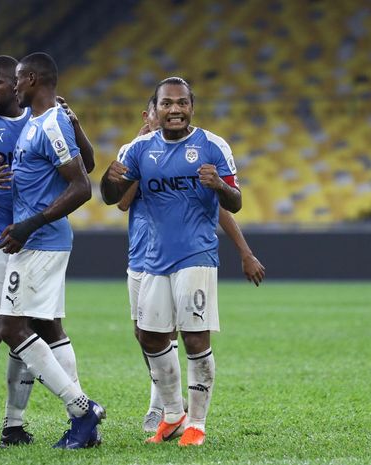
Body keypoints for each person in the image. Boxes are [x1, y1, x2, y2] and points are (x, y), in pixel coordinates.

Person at [0, 55, 96, 448]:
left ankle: (19, 422)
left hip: (32, 238)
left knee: (36, 327)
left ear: (24, 81)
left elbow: (85, 173)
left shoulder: (41, 120)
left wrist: (75, 124)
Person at [101, 77, 242, 447]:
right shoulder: (139, 148)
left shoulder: (214, 145)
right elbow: (112, 197)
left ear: (192, 106)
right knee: (149, 335)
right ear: (156, 109)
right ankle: (172, 415)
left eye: (181, 103)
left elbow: (235, 202)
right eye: (167, 104)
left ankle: (197, 423)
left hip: (196, 254)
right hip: (151, 259)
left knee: (195, 337)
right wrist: (107, 178)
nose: (175, 110)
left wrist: (220, 187)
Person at [0, 52, 104, 450]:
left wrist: (28, 225)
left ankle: (81, 409)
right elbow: (87, 163)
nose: (13, 86)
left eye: (18, 78)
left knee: (11, 328)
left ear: (35, 79)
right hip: (39, 239)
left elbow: (81, 185)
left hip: (40, 241)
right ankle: (84, 427)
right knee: (49, 328)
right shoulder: (41, 122)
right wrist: (76, 126)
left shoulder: (51, 122)